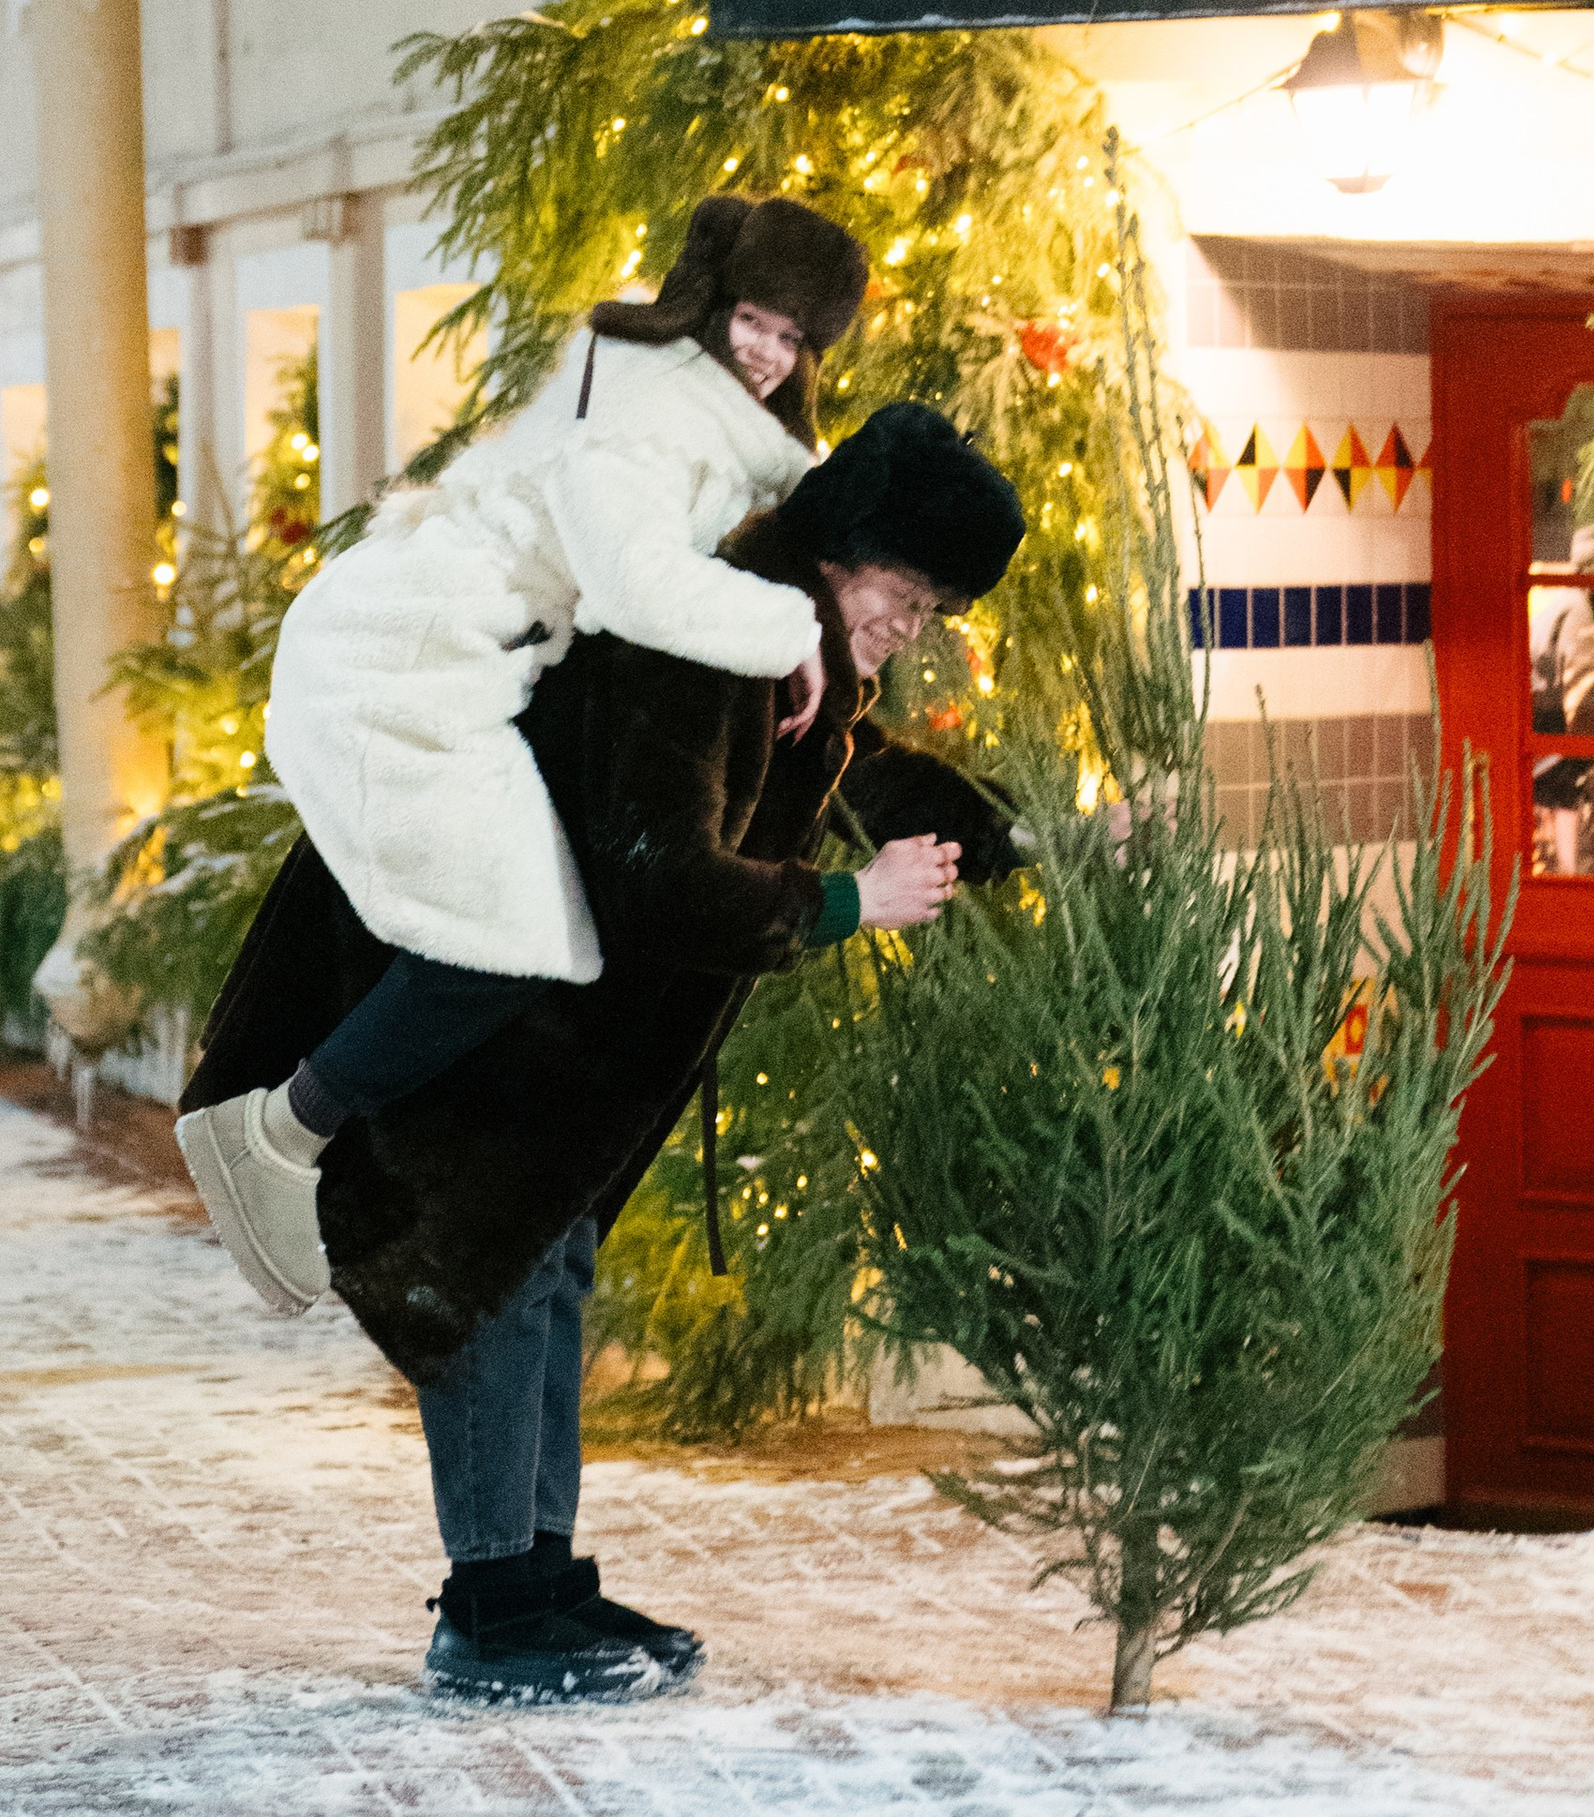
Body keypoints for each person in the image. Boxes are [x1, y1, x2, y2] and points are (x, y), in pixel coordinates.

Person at [179, 396, 1026, 1704]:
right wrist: (852, 903)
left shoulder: (789, 639)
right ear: (842, 548)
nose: (910, 632)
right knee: (488, 1273)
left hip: (560, 1027)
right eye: (907, 597)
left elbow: (852, 770)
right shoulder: (707, 627)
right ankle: (490, 1609)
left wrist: (1025, 842)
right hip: (477, 992)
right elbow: (650, 873)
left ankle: (538, 1578)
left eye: (930, 612)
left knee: (545, 1265)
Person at [177, 193, 867, 1321]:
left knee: (534, 940)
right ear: (712, 302)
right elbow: (636, 586)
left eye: (794, 339)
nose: (766, 352)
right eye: (755, 318)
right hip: (396, 671)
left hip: (448, 668)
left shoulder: (695, 420)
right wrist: (796, 631)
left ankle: (322, 1142)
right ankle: (281, 1134)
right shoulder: (647, 414)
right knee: (507, 944)